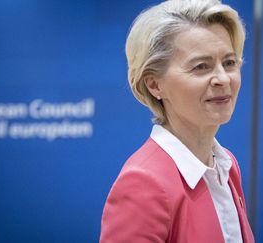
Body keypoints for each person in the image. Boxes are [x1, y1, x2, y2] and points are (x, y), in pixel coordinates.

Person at [100, 0, 254, 242]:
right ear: (154, 85)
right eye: (201, 67)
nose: (223, 78)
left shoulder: (227, 165)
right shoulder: (143, 184)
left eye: (229, 63)